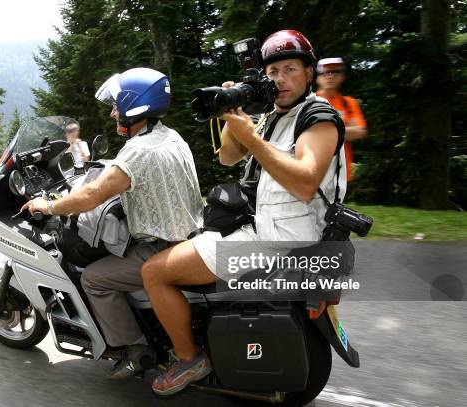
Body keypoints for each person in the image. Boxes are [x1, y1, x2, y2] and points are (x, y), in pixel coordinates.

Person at [140, 30, 347, 396]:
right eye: (272, 72)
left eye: (290, 69)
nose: (279, 79)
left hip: (277, 241)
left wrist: (252, 137)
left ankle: (189, 359)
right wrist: (234, 113)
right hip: (266, 228)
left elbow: (303, 182)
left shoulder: (318, 118)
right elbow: (228, 156)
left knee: (154, 272)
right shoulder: (274, 114)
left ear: (309, 73)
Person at [20, 68, 204, 379]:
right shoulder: (171, 136)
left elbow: (91, 196)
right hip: (191, 235)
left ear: (135, 106)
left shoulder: (137, 151)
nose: (112, 112)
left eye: (117, 105)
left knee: (93, 278)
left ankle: (134, 349)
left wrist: (49, 205)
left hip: (160, 248)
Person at [316, 57, 367, 181]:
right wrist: (345, 128)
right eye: (326, 72)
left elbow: (360, 131)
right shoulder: (309, 102)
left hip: (341, 172)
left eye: (335, 72)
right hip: (313, 169)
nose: (330, 76)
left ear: (342, 76)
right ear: (317, 77)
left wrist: (325, 129)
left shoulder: (349, 103)